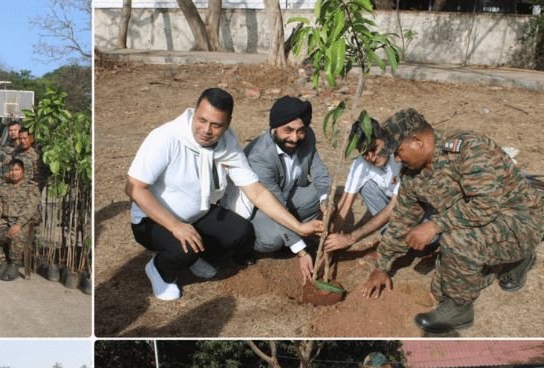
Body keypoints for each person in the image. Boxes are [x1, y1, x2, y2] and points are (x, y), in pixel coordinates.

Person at [126, 88, 325, 301]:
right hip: (153, 220)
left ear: (228, 123)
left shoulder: (227, 142)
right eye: (202, 120)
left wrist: (299, 227)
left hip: (197, 214)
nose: (206, 130)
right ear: (194, 113)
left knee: (241, 232)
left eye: (216, 125)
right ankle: (160, 268)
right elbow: (134, 188)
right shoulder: (165, 138)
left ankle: (193, 255)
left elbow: (256, 192)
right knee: (184, 250)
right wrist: (175, 226)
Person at [361, 108, 544, 333]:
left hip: (519, 221)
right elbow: (402, 218)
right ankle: (511, 261)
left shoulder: (469, 149)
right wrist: (382, 266)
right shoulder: (413, 174)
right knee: (440, 288)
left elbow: (486, 204)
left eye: (399, 152)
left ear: (417, 141)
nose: (397, 159)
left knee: (454, 241)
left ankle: (461, 309)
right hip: (482, 224)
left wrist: (434, 225)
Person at [223, 96, 329, 283]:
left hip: (288, 195)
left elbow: (319, 172)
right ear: (274, 128)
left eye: (300, 131)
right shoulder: (260, 156)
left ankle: (298, 231)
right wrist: (301, 251)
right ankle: (249, 246)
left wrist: (325, 202)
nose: (295, 137)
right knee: (272, 239)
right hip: (261, 207)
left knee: (323, 194)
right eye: (287, 130)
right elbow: (274, 203)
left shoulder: (307, 136)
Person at [323, 118, 405, 254]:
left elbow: (393, 207)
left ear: (383, 139)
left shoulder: (400, 157)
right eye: (365, 153)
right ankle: (391, 234)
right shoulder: (361, 164)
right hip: (392, 204)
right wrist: (328, 245)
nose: (371, 157)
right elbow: (345, 204)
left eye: (374, 149)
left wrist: (350, 238)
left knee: (430, 240)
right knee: (366, 186)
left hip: (411, 208)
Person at [0, 159, 40, 282]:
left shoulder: (31, 187)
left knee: (16, 234)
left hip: (24, 222)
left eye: (17, 170)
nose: (14, 173)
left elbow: (29, 209)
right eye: (11, 170)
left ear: (23, 171)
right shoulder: (4, 187)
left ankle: (14, 264)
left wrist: (18, 224)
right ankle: (2, 263)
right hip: (5, 220)